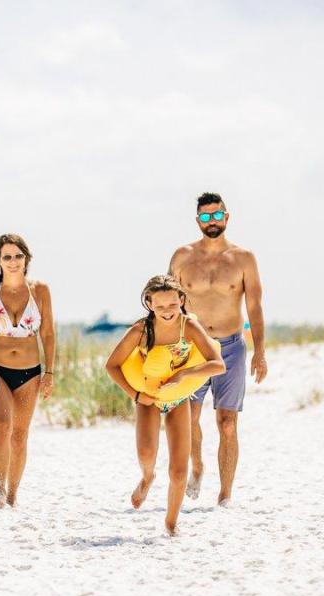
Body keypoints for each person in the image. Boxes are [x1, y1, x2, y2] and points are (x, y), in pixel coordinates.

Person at [104, 275, 225, 535]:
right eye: (160, 307)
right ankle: (147, 478)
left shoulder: (188, 326)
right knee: (147, 454)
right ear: (149, 304)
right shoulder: (141, 330)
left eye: (172, 304)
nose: (167, 311)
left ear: (181, 300)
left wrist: (183, 376)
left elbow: (218, 364)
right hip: (148, 397)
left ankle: (171, 523)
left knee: (179, 471)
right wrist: (136, 396)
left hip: (178, 397)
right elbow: (111, 366)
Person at [169, 192, 268, 507]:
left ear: (227, 217)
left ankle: (225, 495)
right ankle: (197, 466)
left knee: (227, 421)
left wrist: (260, 352)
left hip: (231, 347)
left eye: (217, 215)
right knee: (189, 416)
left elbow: (255, 306)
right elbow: (167, 304)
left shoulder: (244, 259)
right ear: (197, 220)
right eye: (206, 216)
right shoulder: (182, 257)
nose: (211, 221)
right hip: (192, 347)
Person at [0, 234, 56, 508]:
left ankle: (14, 494)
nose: (14, 261)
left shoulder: (40, 291)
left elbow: (49, 333)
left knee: (20, 435)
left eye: (18, 256)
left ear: (26, 258)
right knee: (2, 426)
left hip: (30, 372)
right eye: (7, 257)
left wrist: (50, 372)